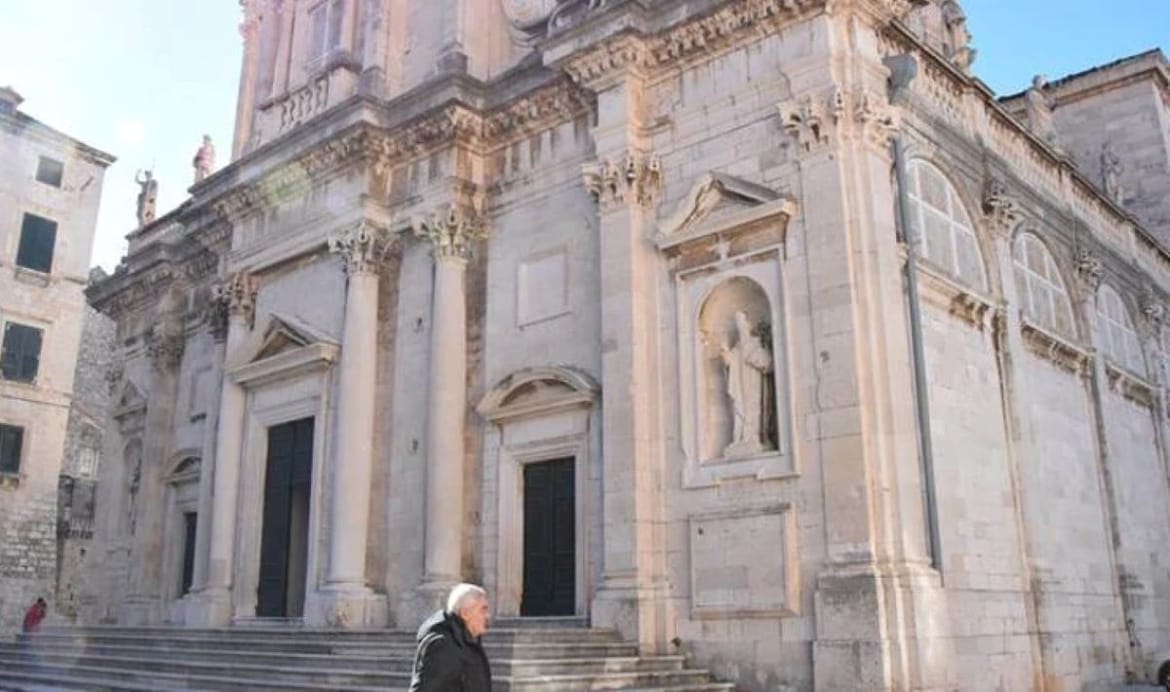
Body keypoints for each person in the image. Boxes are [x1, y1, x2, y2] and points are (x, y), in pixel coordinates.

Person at [408, 583, 492, 692]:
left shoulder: (468, 641)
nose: (488, 616)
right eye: (483, 610)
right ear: (465, 613)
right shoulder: (444, 645)